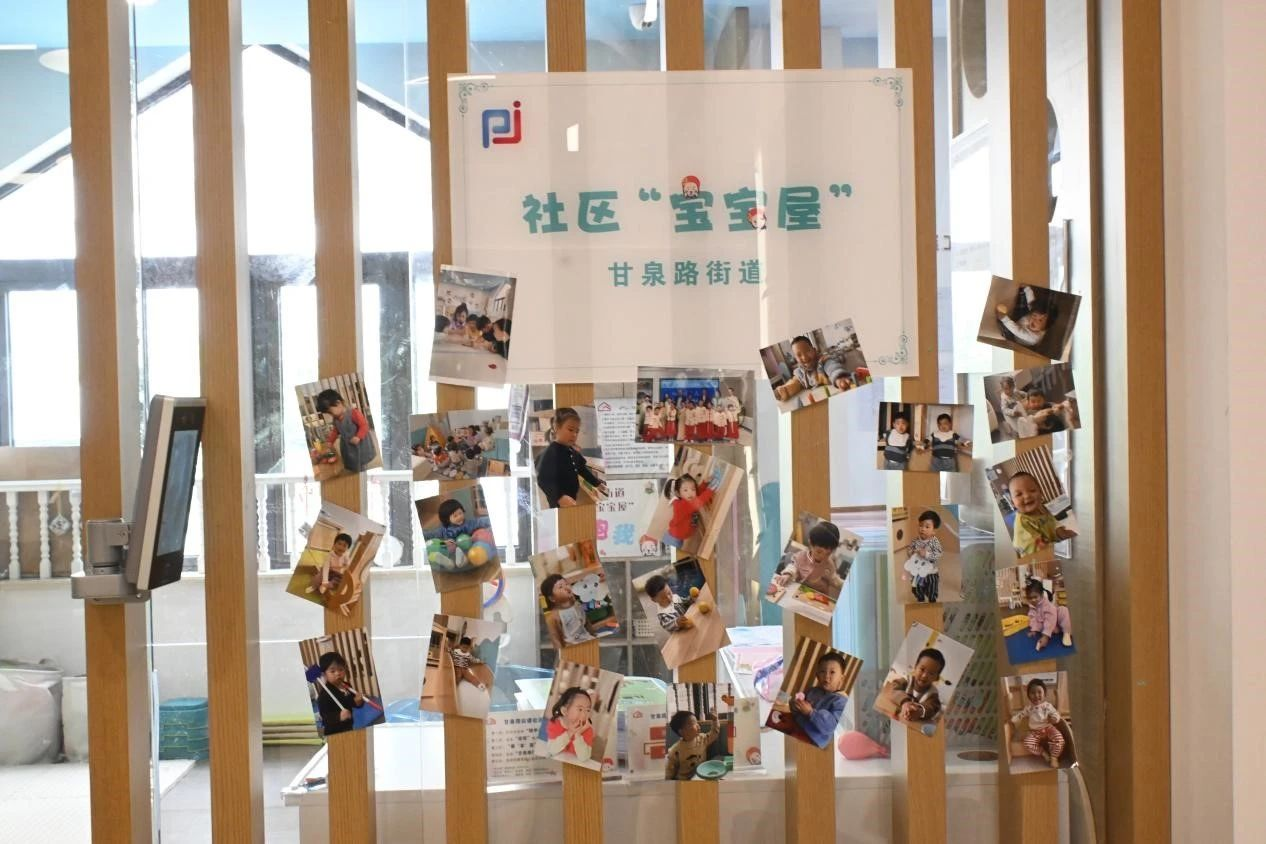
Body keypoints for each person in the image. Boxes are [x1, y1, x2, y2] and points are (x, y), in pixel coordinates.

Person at [771, 652, 850, 748]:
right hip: (797, 723)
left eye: (832, 672)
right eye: (822, 671)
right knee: (773, 716)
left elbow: (830, 727)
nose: (826, 676)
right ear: (817, 675)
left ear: (842, 678)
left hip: (813, 738)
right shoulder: (812, 691)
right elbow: (796, 709)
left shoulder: (841, 701)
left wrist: (811, 713)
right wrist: (796, 705)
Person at [534, 407, 607, 508]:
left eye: (577, 431)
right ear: (556, 427)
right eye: (570, 430)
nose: (574, 434)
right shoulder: (550, 453)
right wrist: (559, 497)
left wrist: (597, 483)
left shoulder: (572, 451)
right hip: (558, 503)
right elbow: (543, 479)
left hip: (572, 499)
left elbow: (582, 470)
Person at [770, 521, 846, 600]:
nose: (822, 556)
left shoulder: (829, 564)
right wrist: (788, 574)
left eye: (828, 553)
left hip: (818, 596)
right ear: (810, 543)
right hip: (799, 591)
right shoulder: (802, 556)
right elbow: (793, 567)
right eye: (819, 552)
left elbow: (834, 579)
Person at [1007, 471, 1076, 557]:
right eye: (1019, 494)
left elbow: (1054, 524)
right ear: (1012, 503)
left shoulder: (1042, 508)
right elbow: (1040, 550)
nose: (1027, 496)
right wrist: (1063, 545)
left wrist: (1064, 533)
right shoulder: (1023, 524)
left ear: (1040, 493)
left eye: (1032, 490)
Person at [773, 335, 853, 403]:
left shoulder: (823, 361)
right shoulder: (801, 372)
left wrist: (839, 378)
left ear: (814, 350)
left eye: (807, 351)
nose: (804, 357)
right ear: (796, 359)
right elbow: (795, 383)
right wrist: (784, 391)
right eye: (799, 355)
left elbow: (832, 368)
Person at [316, 388, 378, 474]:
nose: (331, 415)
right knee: (351, 460)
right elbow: (335, 431)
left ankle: (363, 471)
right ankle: (356, 470)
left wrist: (358, 437)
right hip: (347, 444)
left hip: (359, 443)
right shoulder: (335, 419)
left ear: (338, 403)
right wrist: (330, 441)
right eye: (328, 413)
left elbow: (364, 426)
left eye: (330, 412)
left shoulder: (354, 413)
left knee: (361, 460)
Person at [1011, 677, 1065, 767]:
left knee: (1059, 738)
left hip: (1048, 728)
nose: (1036, 695)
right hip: (1035, 731)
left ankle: (1054, 757)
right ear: (1028, 696)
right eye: (1032, 693)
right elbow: (1021, 714)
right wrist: (1013, 719)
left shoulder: (1048, 706)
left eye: (1039, 692)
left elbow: (1056, 714)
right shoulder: (1029, 708)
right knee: (1027, 743)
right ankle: (1043, 752)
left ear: (1044, 694)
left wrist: (1054, 718)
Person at [884, 648, 945, 724]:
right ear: (915, 667)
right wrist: (905, 702)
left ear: (936, 678)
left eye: (931, 673)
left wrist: (920, 711)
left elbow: (932, 708)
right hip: (894, 714)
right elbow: (893, 688)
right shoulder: (907, 680)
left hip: (911, 723)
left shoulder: (933, 694)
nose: (924, 676)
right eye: (922, 669)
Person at [424, 498, 494, 563]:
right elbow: (432, 534)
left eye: (460, 513)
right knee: (441, 544)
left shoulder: (469, 524)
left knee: (477, 543)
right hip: (451, 550)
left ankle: (463, 559)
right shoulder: (444, 530)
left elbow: (480, 521)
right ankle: (446, 561)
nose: (459, 517)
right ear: (447, 519)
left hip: (468, 549)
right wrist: (444, 542)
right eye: (455, 516)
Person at [540, 573, 598, 649]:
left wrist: (594, 635)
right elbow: (556, 640)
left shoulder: (577, 605)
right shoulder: (553, 617)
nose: (566, 587)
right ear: (552, 598)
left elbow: (587, 623)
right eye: (560, 587)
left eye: (566, 584)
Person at [313, 651, 364, 736]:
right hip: (334, 732)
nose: (338, 673)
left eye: (341, 669)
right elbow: (325, 719)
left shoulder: (347, 686)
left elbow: (352, 703)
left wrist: (359, 702)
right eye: (332, 671)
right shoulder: (324, 695)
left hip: (348, 726)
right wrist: (339, 716)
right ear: (324, 674)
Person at [660, 473, 715, 550]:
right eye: (685, 490)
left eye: (693, 489)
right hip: (672, 540)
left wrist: (704, 484)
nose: (690, 493)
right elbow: (699, 501)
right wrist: (710, 490)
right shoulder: (682, 505)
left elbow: (696, 494)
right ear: (678, 493)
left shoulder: (687, 499)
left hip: (676, 538)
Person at [665, 710, 723, 780]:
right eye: (693, 723)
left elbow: (714, 733)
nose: (698, 725)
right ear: (682, 731)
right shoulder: (675, 751)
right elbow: (669, 774)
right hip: (684, 782)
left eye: (697, 722)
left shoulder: (702, 739)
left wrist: (715, 720)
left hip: (701, 777)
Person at [542, 687, 595, 763]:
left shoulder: (587, 730)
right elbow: (551, 750)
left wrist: (578, 735)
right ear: (564, 711)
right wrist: (570, 732)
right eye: (580, 709)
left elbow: (584, 757)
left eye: (587, 710)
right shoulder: (555, 723)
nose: (584, 714)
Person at [903, 511, 944, 603]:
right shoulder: (916, 541)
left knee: (932, 589)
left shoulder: (935, 542)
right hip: (918, 572)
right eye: (921, 525)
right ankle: (920, 598)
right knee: (917, 588)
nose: (922, 529)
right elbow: (910, 550)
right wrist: (911, 552)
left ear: (934, 531)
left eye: (927, 527)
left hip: (931, 573)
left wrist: (926, 554)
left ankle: (932, 600)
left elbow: (938, 554)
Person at [996, 285, 1053, 350]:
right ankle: (1022, 292)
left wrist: (1004, 319)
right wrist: (1027, 289)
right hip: (1021, 320)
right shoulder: (1033, 314)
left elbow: (1017, 330)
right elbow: (1031, 303)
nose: (1035, 320)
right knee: (1023, 305)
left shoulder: (1033, 338)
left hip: (1017, 337)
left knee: (1004, 331)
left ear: (1045, 327)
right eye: (1034, 315)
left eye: (1040, 320)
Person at [1024, 579, 1073, 651]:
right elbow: (1033, 619)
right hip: (1050, 628)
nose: (1033, 600)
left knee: (1063, 610)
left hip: (1056, 623)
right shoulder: (1032, 607)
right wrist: (1034, 630)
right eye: (1030, 598)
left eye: (1035, 597)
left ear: (1042, 595)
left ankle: (1066, 633)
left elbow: (1050, 619)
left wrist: (1045, 636)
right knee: (1035, 621)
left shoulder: (1047, 605)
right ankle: (1053, 630)